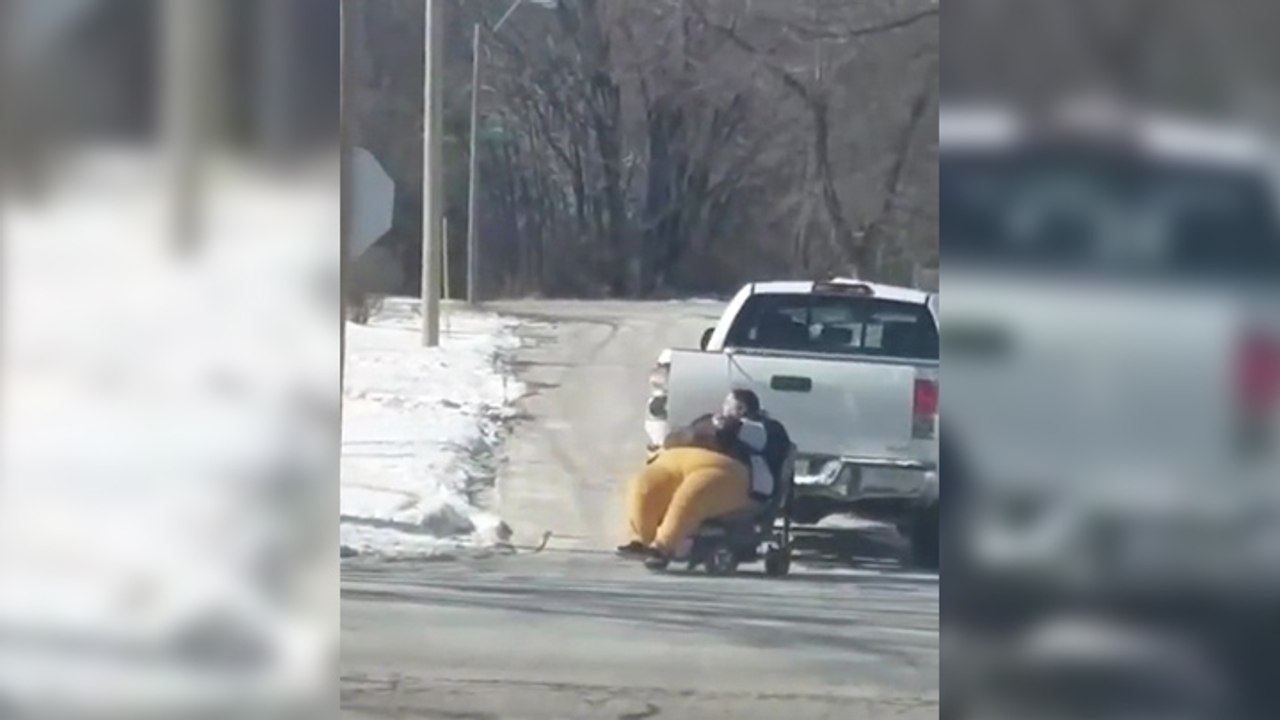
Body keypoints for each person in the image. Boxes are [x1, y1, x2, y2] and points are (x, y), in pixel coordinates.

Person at [618, 389, 789, 569]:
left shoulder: (766, 428)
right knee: (644, 484)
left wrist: (729, 427)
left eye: (731, 405)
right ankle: (641, 540)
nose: (725, 409)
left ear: (742, 408)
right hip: (675, 462)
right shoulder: (708, 420)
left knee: (694, 492)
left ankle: (662, 546)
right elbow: (680, 436)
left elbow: (763, 444)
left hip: (727, 473)